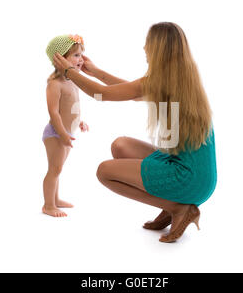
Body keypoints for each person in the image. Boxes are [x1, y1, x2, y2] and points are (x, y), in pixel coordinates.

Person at [52, 22, 217, 243]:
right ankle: (173, 206)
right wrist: (96, 72)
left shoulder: (163, 80)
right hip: (199, 175)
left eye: (147, 44)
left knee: (104, 171)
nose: (144, 49)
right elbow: (133, 92)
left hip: (187, 178)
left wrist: (69, 72)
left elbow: (101, 95)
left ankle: (177, 207)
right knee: (120, 145)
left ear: (158, 48)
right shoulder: (181, 77)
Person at [42, 34, 89, 218]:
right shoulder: (55, 84)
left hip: (67, 132)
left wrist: (80, 121)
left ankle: (56, 198)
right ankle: (48, 205)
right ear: (60, 58)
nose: (81, 59)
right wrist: (62, 133)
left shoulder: (73, 81)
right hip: (56, 132)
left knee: (58, 167)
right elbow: (54, 112)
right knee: (55, 168)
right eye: (76, 55)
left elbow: (72, 107)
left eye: (81, 55)